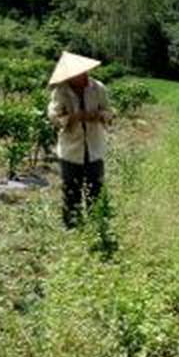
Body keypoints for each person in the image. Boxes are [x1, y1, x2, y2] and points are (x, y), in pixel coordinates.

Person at [47, 51, 113, 228]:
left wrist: (99, 115)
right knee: (71, 189)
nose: (82, 76)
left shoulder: (98, 88)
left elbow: (109, 112)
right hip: (71, 149)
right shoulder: (61, 91)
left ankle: (96, 223)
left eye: (83, 72)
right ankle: (72, 225)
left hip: (94, 147)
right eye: (77, 74)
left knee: (95, 188)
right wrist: (73, 118)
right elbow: (53, 116)